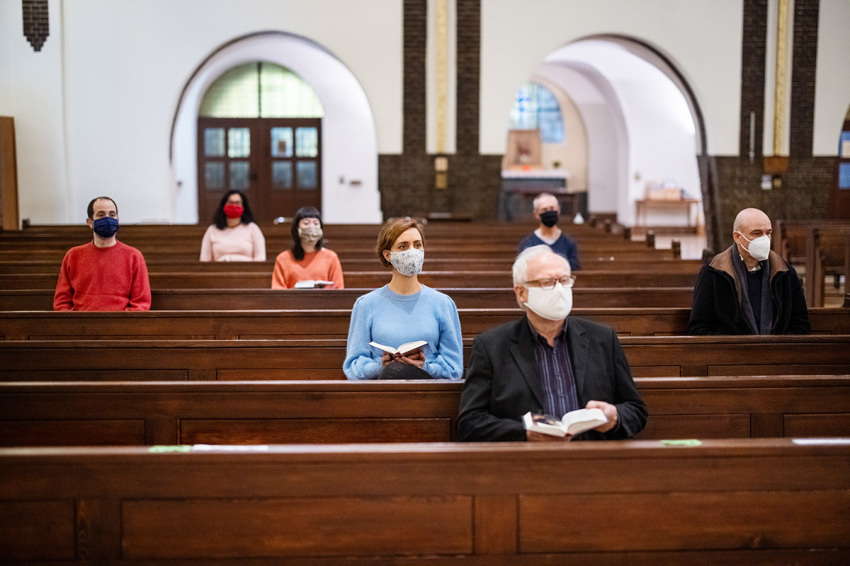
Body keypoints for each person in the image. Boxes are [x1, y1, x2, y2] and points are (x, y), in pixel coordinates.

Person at [457, 245, 647, 442]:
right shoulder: (491, 346)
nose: (559, 290)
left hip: (592, 462)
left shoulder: (603, 339)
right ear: (521, 293)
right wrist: (524, 433)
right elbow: (470, 423)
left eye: (564, 281)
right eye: (547, 282)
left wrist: (615, 416)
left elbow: (636, 410)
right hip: (526, 465)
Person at [343, 217, 463, 381]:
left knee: (398, 371)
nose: (412, 251)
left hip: (428, 390)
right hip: (380, 390)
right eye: (403, 246)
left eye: (417, 245)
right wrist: (381, 365)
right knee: (394, 371)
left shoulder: (442, 304)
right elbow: (353, 367)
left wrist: (424, 366)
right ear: (388, 255)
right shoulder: (366, 304)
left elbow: (454, 368)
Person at [688, 207, 810, 335]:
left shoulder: (785, 272)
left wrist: (778, 349)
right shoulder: (713, 272)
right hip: (730, 352)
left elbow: (800, 324)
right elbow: (699, 328)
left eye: (768, 233)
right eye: (756, 233)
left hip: (777, 351)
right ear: (737, 237)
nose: (765, 239)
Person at [53, 196, 151, 311]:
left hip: (121, 326)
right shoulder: (73, 256)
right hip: (81, 325)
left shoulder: (134, 256)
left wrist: (120, 325)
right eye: (101, 215)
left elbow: (141, 303)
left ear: (117, 220)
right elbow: (62, 302)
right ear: (90, 222)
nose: (108, 219)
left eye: (112, 214)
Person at [271, 206, 344, 289]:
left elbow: (338, 289)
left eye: (316, 223)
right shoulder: (283, 258)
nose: (311, 227)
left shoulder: (331, 257)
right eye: (306, 223)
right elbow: (277, 291)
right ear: (297, 229)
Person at [518, 192, 580, 271]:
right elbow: (524, 270)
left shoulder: (569, 242)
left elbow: (574, 270)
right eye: (545, 210)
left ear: (558, 210)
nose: (549, 212)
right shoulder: (528, 243)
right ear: (536, 214)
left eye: (552, 209)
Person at [199, 190, 266, 262]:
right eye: (230, 203)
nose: (234, 206)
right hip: (219, 270)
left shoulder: (253, 228)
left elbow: (260, 258)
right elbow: (204, 260)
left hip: (248, 271)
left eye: (237, 203)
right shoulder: (212, 230)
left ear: (243, 206)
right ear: (224, 205)